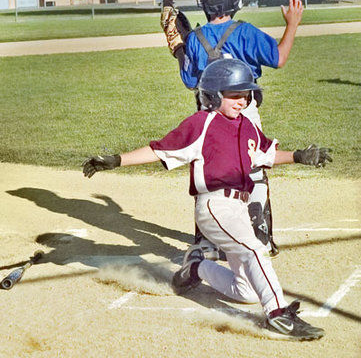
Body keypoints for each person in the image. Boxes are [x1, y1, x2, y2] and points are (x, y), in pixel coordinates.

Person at [82, 59, 331, 339]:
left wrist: (299, 156)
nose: (243, 101)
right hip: (214, 206)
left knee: (246, 291)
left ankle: (197, 267)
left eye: (246, 95)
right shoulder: (202, 124)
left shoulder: (247, 126)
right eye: (235, 95)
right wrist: (116, 160)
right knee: (253, 250)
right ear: (213, 96)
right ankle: (277, 314)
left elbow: (267, 155)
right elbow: (160, 150)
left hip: (239, 207)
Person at [161, 0, 304, 258]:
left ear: (205, 1)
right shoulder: (246, 32)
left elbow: (190, 81)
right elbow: (279, 58)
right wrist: (292, 24)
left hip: (208, 118)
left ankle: (207, 241)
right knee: (253, 170)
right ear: (236, 0)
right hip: (244, 113)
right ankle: (260, 237)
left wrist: (182, 50)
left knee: (208, 175)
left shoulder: (196, 38)